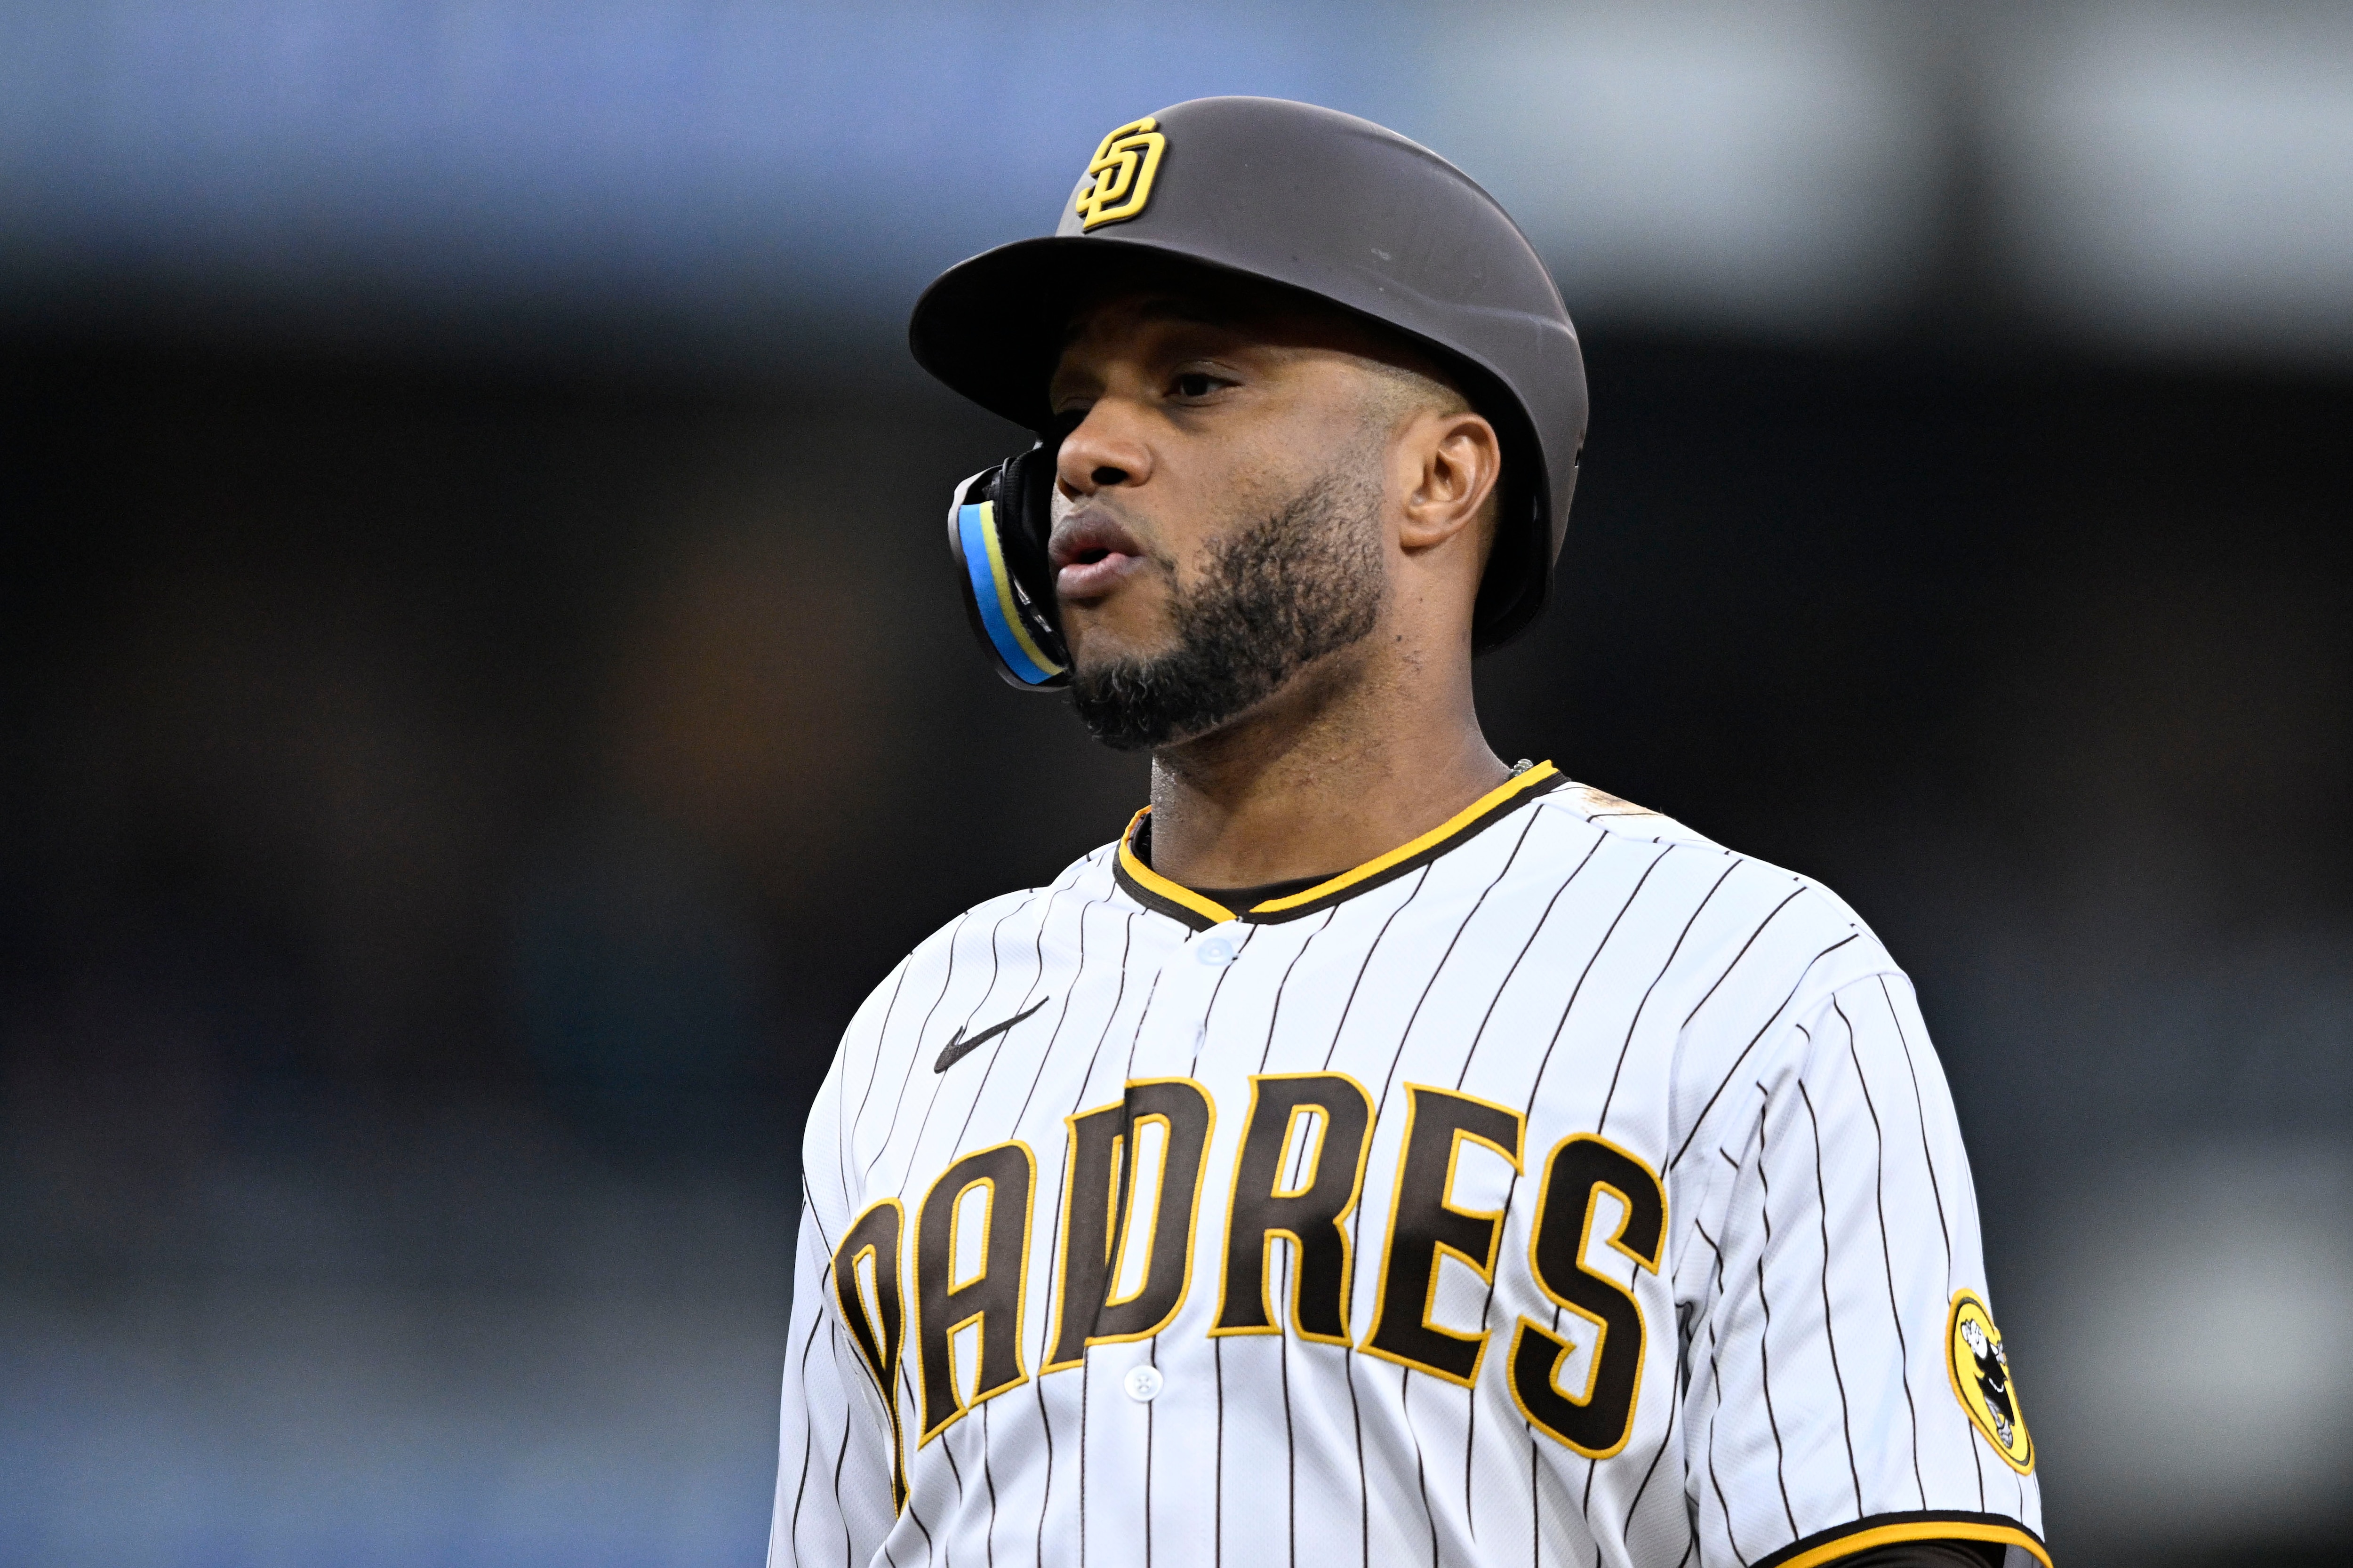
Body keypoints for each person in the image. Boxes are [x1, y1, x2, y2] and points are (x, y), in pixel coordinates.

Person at [769, 97, 2046, 1568]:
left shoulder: (1749, 984)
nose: (1088, 451)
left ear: (1439, 477)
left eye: (1194, 382)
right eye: (1073, 402)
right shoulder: (918, 1032)